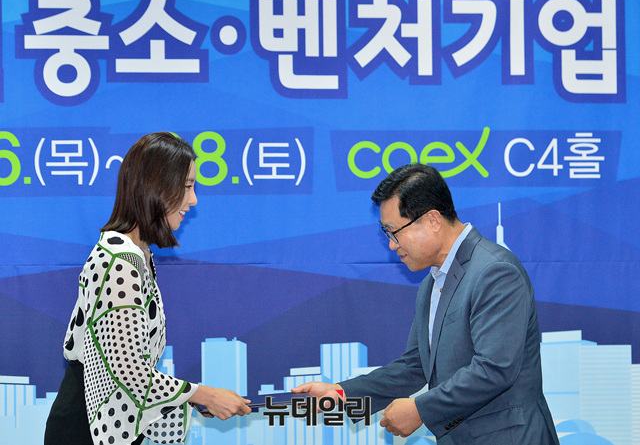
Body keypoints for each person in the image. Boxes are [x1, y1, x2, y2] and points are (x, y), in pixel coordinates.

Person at [293, 163, 559, 444]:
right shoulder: (432, 283)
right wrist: (340, 393)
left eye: (393, 231)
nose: (392, 245)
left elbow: (494, 369)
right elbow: (417, 365)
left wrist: (420, 410)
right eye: (387, 233)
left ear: (432, 220)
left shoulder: (494, 271)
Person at [44, 132, 251, 445]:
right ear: (156, 187)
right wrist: (205, 395)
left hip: (107, 424)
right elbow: (128, 370)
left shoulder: (137, 255)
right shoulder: (119, 261)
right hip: (88, 427)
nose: (193, 200)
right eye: (187, 186)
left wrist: (189, 400)